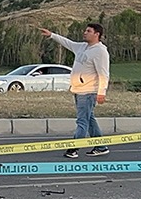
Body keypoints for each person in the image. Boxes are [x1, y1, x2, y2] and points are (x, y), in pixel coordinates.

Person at [40, 23, 111, 158]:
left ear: (97, 34)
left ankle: (74, 149)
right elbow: (67, 43)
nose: (85, 33)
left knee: (82, 121)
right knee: (89, 119)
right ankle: (101, 146)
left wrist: (102, 92)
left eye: (88, 31)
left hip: (89, 91)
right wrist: (52, 35)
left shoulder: (100, 52)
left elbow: (103, 73)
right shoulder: (82, 47)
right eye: (85, 30)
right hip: (78, 90)